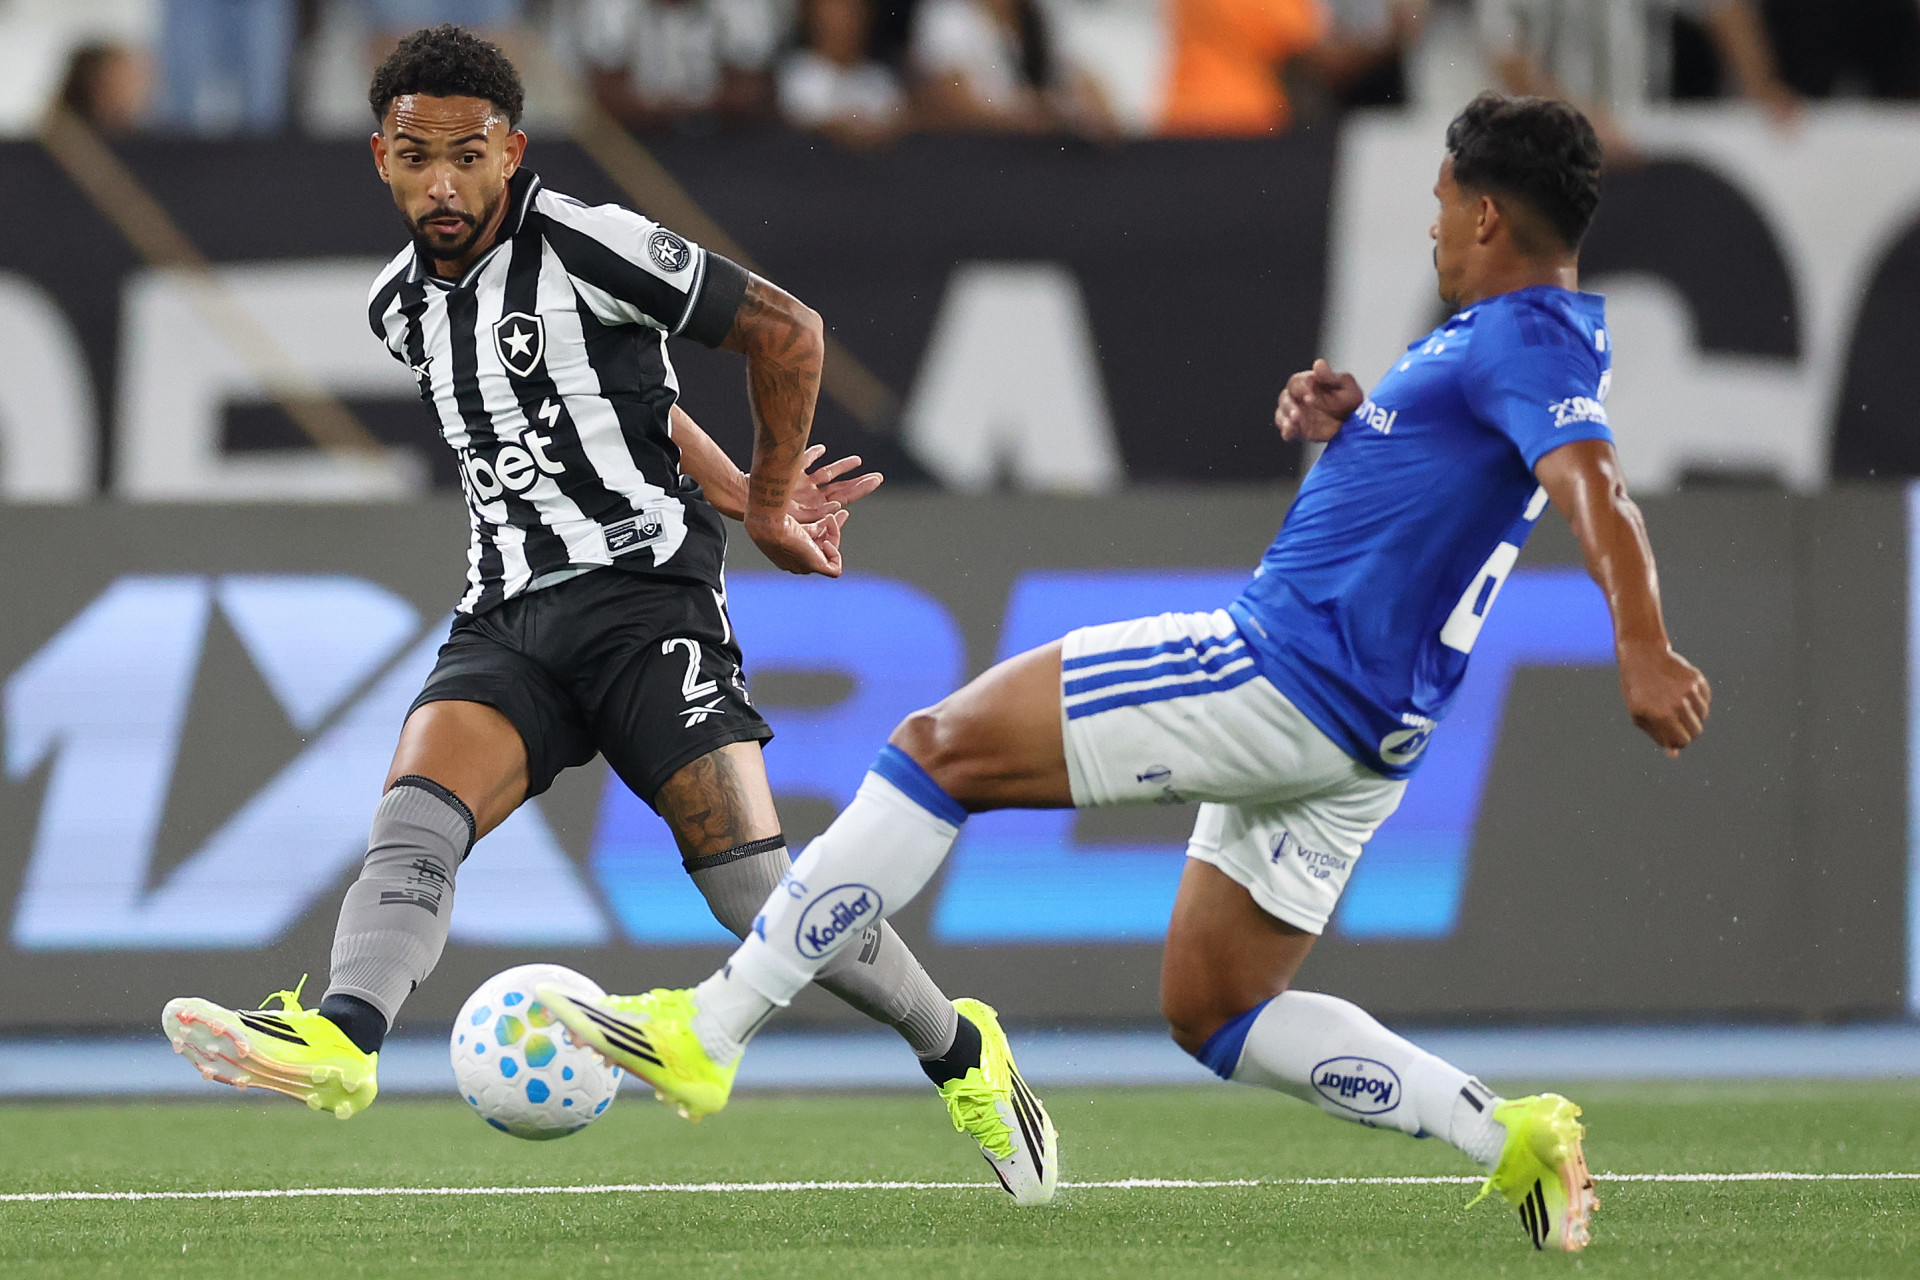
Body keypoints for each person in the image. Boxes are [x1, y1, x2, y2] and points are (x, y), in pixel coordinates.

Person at [546, 91, 1715, 1253]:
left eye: (1443, 204)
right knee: (1216, 1009)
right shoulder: (1515, 337)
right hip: (1365, 736)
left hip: (1286, 671)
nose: (1432, 229)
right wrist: (1360, 422)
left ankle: (713, 1026)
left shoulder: (1524, 336)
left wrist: (1643, 642)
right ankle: (1505, 1132)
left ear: (1491, 212)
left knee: (935, 748)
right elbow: (1468, 479)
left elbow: (1593, 485)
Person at [159, 23, 1058, 1207]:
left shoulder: (583, 238)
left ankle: (961, 1048)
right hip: (505, 620)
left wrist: (767, 499)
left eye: (469, 156)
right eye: (416, 155)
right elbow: (623, 393)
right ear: (378, 155)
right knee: (414, 822)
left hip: (646, 601)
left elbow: (786, 329)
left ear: (512, 150)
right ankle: (342, 1041)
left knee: (751, 890)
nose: (443, 182)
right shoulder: (398, 308)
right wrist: (734, 483)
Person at [778, 0, 907, 145]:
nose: (844, 23)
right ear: (812, 17)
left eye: (852, 12)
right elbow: (800, 126)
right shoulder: (795, 74)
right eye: (833, 14)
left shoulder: (881, 79)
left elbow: (900, 128)